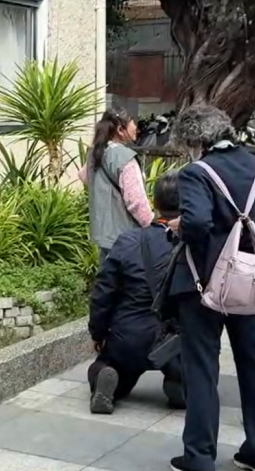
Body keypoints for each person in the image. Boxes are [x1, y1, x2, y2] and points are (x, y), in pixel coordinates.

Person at [167, 106, 255, 471]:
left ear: (195, 141)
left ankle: (199, 456)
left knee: (201, 368)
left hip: (205, 284)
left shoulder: (196, 172)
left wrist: (181, 228)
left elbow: (197, 223)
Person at [87, 171, 185, 414]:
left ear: (155, 203)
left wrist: (98, 332)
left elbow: (103, 292)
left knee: (108, 365)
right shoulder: (193, 244)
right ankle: (180, 381)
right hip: (174, 339)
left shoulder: (127, 240)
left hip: (128, 336)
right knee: (187, 364)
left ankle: (107, 375)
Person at [81, 107, 154, 260]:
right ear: (120, 129)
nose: (136, 128)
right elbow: (136, 202)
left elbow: (84, 176)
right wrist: (153, 226)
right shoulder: (124, 157)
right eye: (133, 122)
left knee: (107, 273)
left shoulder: (96, 152)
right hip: (128, 240)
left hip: (104, 237)